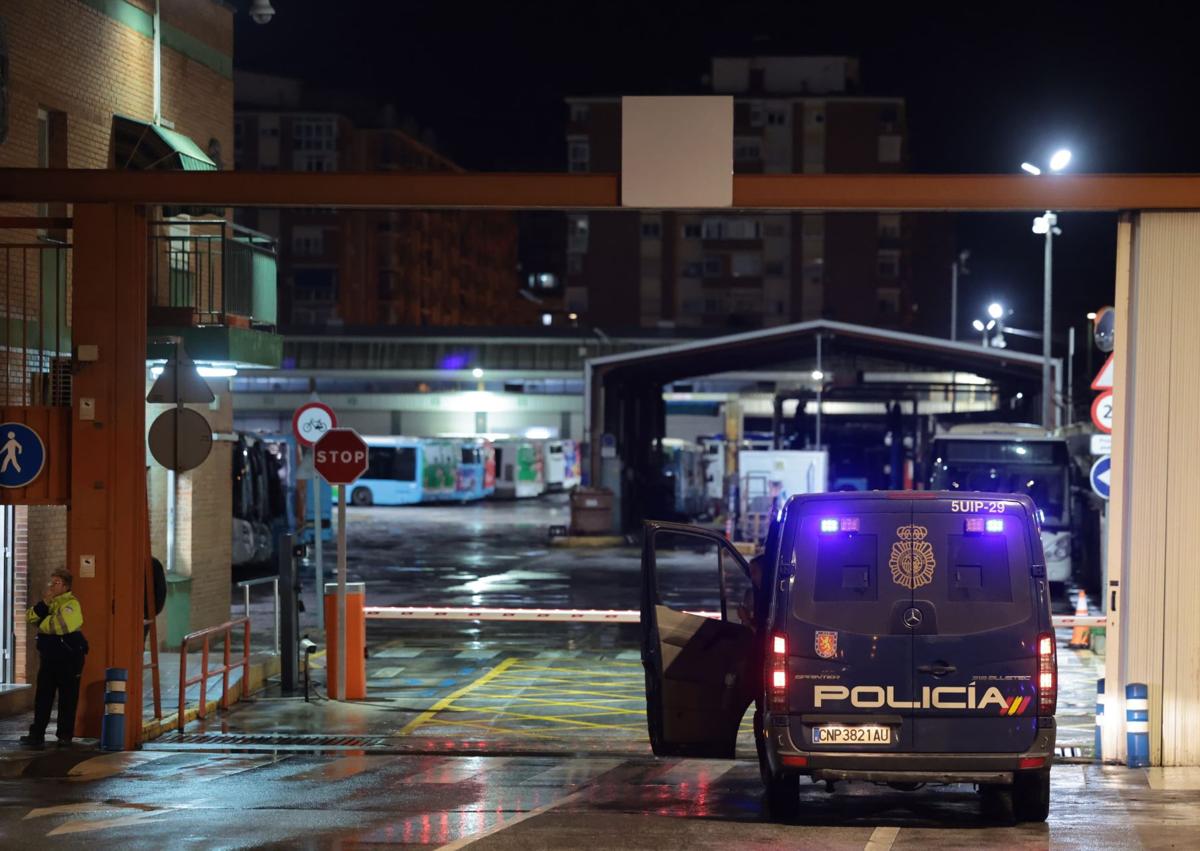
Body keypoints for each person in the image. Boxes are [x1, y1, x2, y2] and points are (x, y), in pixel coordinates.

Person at [19, 568, 87, 749]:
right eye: (52, 582)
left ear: (65, 586)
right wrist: (45, 604)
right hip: (49, 658)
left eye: (56, 583)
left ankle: (65, 736)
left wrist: (43, 621)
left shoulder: (71, 604)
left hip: (69, 659)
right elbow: (29, 617)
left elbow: (58, 627)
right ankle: (37, 734)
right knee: (43, 697)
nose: (52, 586)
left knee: (67, 698)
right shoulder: (49, 603)